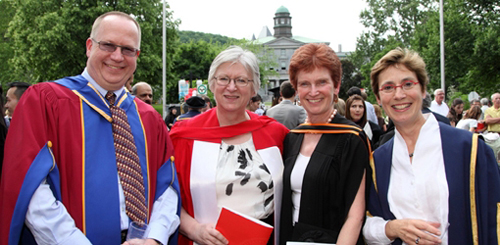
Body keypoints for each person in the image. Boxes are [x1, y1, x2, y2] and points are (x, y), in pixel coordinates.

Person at [0, 11, 181, 245]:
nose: (117, 56)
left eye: (127, 49)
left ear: (137, 55)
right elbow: (31, 188)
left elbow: (167, 187)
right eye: (108, 45)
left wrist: (154, 239)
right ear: (89, 46)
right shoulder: (46, 101)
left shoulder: (149, 118)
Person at [363, 47, 500, 244]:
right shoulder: (379, 160)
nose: (399, 94)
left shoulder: (469, 150)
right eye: (388, 87)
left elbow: (493, 223)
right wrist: (392, 228)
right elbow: (366, 223)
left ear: (423, 89)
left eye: (407, 84)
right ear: (378, 98)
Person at [170, 45, 289, 245]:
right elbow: (165, 198)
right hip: (204, 241)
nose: (231, 87)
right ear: (212, 84)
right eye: (224, 79)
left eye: (241, 80)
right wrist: (194, 229)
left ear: (254, 88)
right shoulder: (184, 137)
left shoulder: (275, 133)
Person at [279, 43, 370, 245]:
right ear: (296, 89)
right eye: (304, 84)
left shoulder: (351, 139)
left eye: (321, 82)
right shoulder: (292, 138)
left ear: (336, 86)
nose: (313, 92)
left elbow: (355, 217)